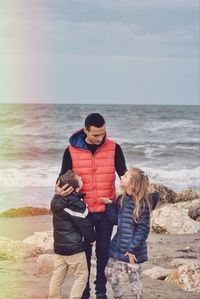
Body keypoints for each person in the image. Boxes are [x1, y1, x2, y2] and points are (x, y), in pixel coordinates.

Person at [56, 113, 127, 299]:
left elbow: (125, 177)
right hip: (82, 213)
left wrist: (135, 193)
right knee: (84, 255)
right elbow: (62, 177)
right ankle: (85, 293)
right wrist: (59, 190)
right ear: (85, 130)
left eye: (102, 134)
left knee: (103, 252)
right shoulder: (71, 150)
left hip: (105, 211)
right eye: (95, 135)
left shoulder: (114, 148)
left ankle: (101, 291)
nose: (99, 138)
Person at [102, 167, 159, 299]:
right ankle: (119, 296)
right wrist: (110, 205)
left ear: (132, 183)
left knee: (134, 280)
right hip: (118, 247)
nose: (121, 177)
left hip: (133, 251)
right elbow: (116, 220)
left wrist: (132, 249)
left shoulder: (143, 204)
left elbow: (143, 230)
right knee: (109, 273)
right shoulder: (122, 199)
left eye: (125, 176)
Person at [48, 170, 96, 299]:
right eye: (78, 178)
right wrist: (92, 238)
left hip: (59, 249)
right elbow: (85, 225)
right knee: (81, 276)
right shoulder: (76, 205)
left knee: (57, 276)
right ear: (74, 189)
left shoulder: (56, 202)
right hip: (74, 249)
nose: (81, 177)